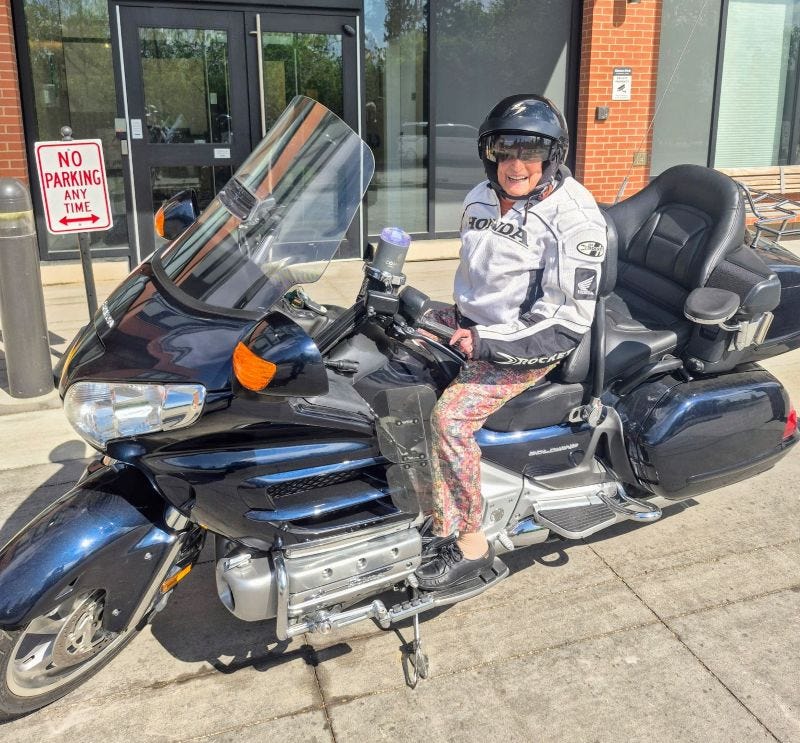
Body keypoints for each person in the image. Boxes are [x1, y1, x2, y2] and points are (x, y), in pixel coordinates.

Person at [415, 94, 608, 592]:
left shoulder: (575, 218)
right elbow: (478, 276)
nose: (515, 165)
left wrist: (484, 342)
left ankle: (469, 541)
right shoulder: (479, 196)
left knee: (449, 420)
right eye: (505, 151)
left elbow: (566, 319)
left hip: (527, 343)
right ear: (490, 153)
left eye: (530, 153)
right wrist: (451, 320)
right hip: (475, 324)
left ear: (551, 157)